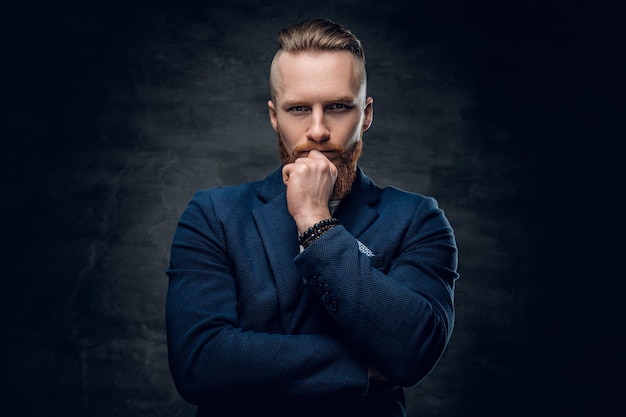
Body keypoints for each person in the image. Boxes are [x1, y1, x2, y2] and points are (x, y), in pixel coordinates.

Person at [166, 18, 459, 417]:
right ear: (274, 117)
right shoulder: (213, 215)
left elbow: (410, 351)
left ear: (366, 114)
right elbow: (200, 363)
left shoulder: (417, 219)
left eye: (338, 107)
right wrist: (361, 367)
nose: (318, 130)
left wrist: (313, 219)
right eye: (299, 109)